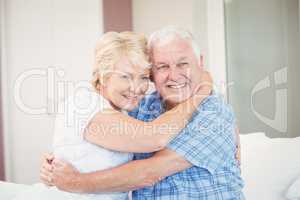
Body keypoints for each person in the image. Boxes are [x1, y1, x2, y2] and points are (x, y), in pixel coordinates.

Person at [41, 27, 244, 199]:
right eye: (162, 66)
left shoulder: (214, 112)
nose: (174, 75)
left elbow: (149, 172)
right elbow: (150, 137)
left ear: (200, 62)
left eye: (183, 64)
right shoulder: (138, 107)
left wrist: (75, 182)